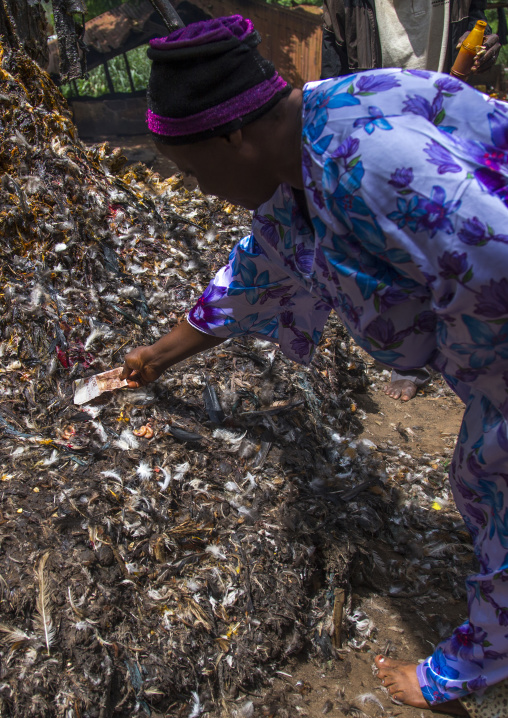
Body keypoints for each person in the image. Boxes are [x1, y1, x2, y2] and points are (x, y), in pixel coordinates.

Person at [121, 14, 508, 716]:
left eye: (190, 168)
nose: (198, 187)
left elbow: (496, 257)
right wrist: (156, 357)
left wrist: (472, 373)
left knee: (493, 480)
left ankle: (466, 669)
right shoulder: (300, 151)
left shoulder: (374, 164)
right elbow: (257, 269)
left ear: (231, 135)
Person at [322, 0, 501, 403]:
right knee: (393, 237)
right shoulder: (345, 4)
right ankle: (409, 356)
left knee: (451, 232)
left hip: (444, 119)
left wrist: (487, 51)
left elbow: (482, 46)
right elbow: (332, 75)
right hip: (379, 126)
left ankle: (462, 339)